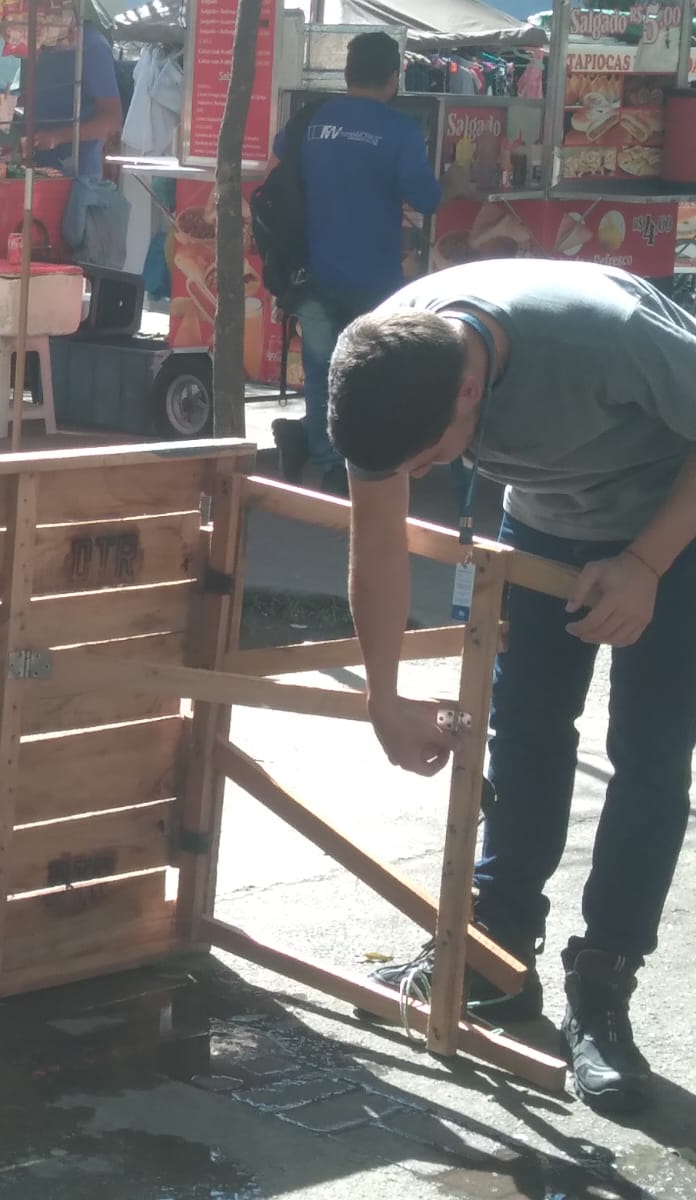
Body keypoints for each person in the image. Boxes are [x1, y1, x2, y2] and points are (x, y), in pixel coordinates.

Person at [328, 259, 696, 1114]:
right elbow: (376, 544)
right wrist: (381, 699)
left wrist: (644, 563)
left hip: (669, 530)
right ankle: (497, 951)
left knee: (649, 760)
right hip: (543, 519)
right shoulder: (385, 362)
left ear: (467, 392)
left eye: (428, 462)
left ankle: (604, 979)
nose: (415, 476)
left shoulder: (603, 337)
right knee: (525, 729)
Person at [269, 31, 447, 496]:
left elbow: (275, 170)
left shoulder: (312, 120)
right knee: (368, 369)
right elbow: (427, 198)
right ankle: (349, 463)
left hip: (307, 270)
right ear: (394, 78)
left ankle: (317, 450)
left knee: (321, 365)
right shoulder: (399, 131)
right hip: (373, 278)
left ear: (345, 74)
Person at [22, 24, 123, 179]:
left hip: (79, 175)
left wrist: (57, 137)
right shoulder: (40, 43)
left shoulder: (92, 46)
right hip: (37, 167)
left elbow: (112, 121)